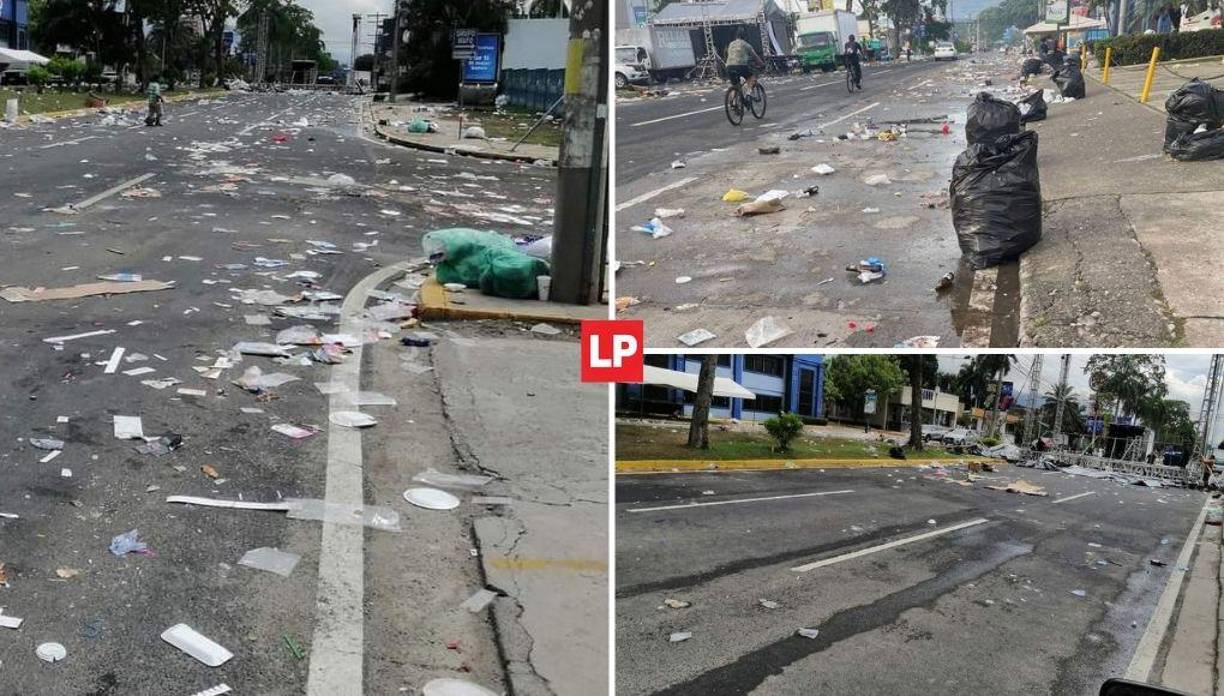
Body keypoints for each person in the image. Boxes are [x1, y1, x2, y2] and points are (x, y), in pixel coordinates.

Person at [724, 28, 764, 100]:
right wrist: (762, 64)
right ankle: (748, 93)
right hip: (741, 66)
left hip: (729, 66)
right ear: (745, 37)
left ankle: (733, 103)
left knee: (735, 85)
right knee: (751, 78)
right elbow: (755, 56)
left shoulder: (731, 44)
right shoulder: (746, 45)